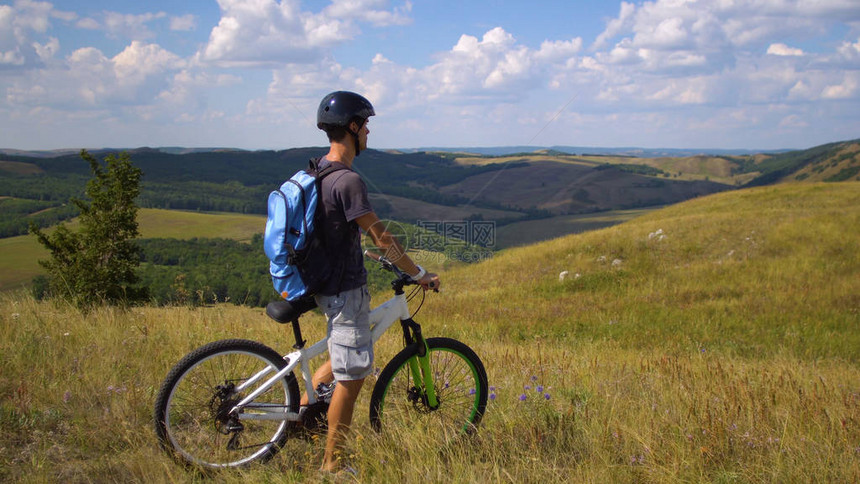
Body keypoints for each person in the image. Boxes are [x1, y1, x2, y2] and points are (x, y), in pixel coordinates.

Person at [301, 91, 440, 473]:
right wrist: (418, 274)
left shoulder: (318, 172)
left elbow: (336, 231)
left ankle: (299, 418)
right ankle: (334, 465)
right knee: (353, 375)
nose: (368, 132)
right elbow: (382, 236)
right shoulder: (348, 180)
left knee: (338, 356)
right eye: (365, 125)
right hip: (345, 293)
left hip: (324, 286)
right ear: (351, 128)